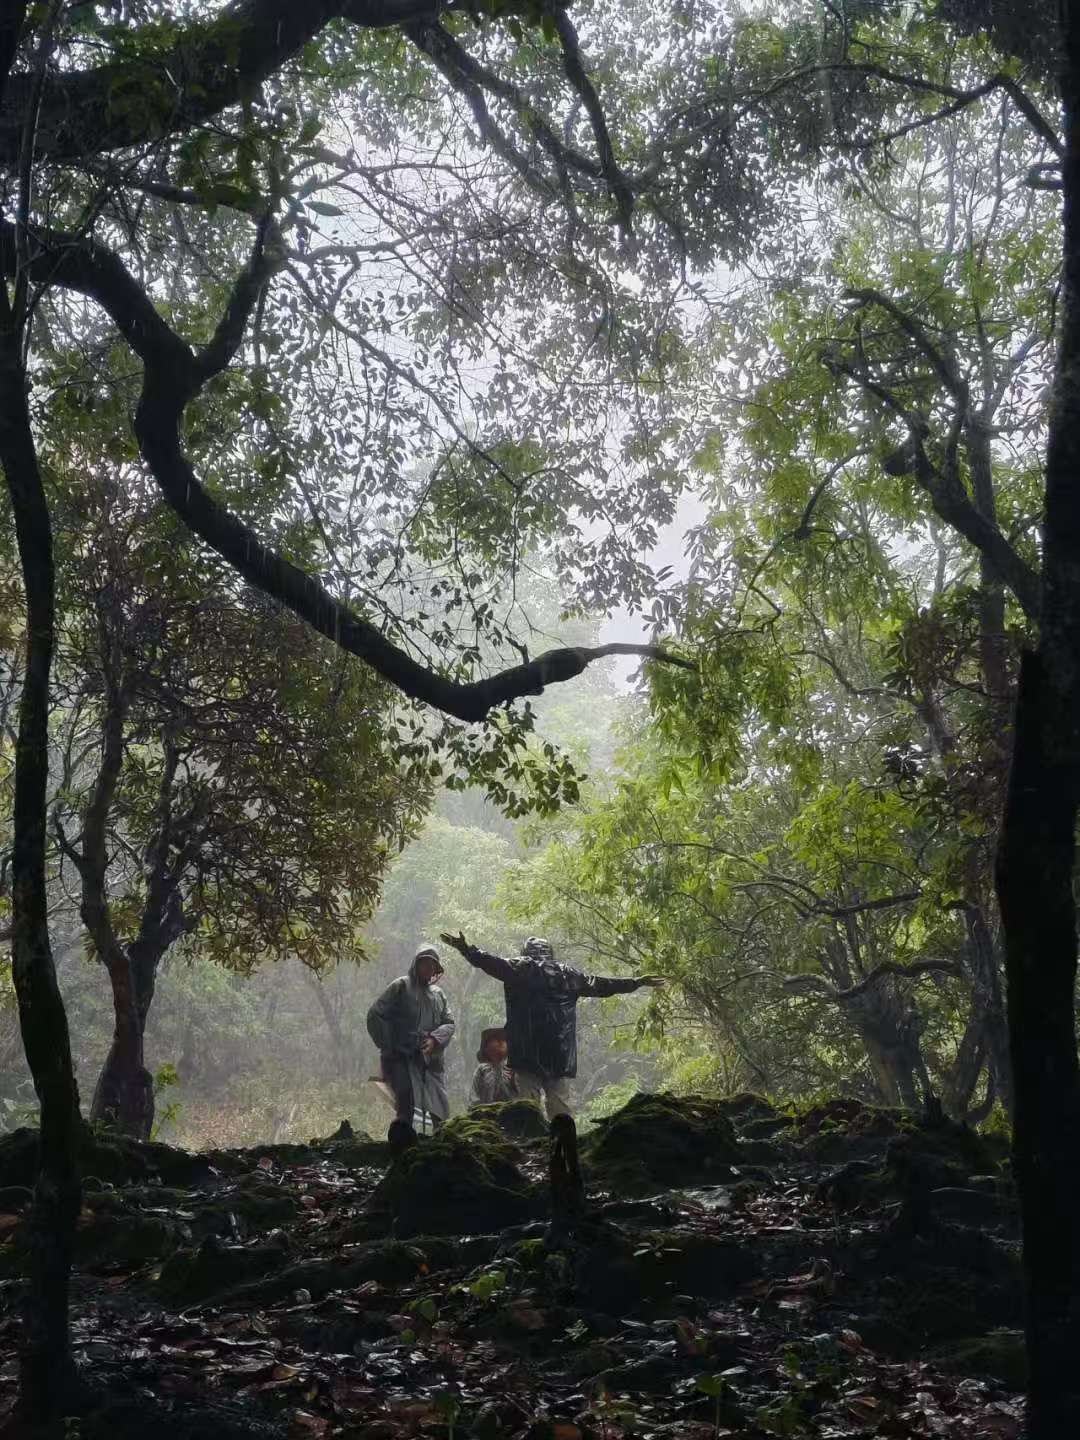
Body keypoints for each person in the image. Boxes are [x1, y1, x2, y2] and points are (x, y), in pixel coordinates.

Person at [440, 933, 664, 1118]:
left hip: (526, 1053)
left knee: (527, 1109)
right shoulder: (568, 974)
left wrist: (468, 950)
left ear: (526, 953)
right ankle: (564, 1152)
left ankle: (530, 1152)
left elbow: (491, 963)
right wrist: (635, 983)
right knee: (560, 1108)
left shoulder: (519, 968)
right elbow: (602, 985)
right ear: (551, 954)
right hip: (559, 1053)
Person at [366, 944, 455, 1135]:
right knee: (405, 1098)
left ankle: (443, 1144)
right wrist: (389, 1045)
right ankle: (402, 1140)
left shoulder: (439, 995)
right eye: (424, 963)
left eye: (432, 965)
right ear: (416, 963)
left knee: (439, 1106)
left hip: (430, 1061)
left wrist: (434, 1040)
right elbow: (375, 1015)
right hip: (401, 1057)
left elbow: (449, 1023)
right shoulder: (401, 986)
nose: (428, 968)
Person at [469, 1027, 518, 1109]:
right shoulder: (482, 1069)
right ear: (486, 1047)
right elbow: (474, 1095)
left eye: (503, 1040)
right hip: (485, 1113)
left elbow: (519, 1095)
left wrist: (513, 1081)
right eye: (495, 1039)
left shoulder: (512, 1069)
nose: (500, 1042)